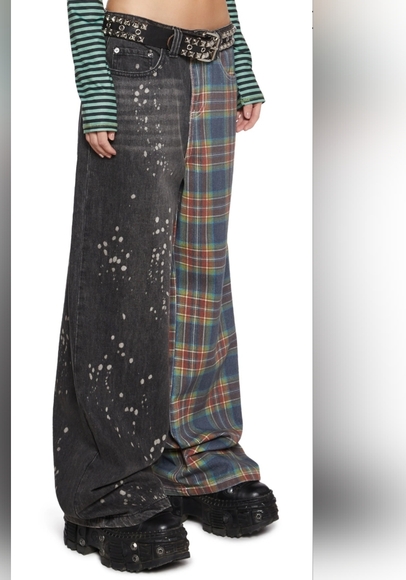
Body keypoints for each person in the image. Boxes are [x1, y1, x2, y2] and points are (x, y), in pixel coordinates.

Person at [53, 0, 278, 571]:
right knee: (124, 278)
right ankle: (108, 485)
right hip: (137, 60)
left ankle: (196, 454)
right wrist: (95, 81)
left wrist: (240, 57)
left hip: (215, 63)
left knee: (201, 269)